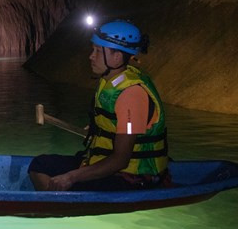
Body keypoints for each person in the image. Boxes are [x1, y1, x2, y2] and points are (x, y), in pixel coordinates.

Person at [28, 19, 169, 191]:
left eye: (97, 51)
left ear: (116, 57)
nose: (91, 56)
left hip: (130, 176)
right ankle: (53, 203)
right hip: (102, 160)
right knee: (40, 164)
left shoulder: (131, 95)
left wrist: (71, 177)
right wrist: (98, 129)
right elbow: (114, 121)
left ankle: (55, 204)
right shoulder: (111, 81)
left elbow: (121, 160)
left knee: (68, 183)